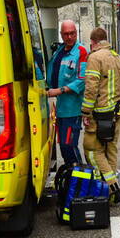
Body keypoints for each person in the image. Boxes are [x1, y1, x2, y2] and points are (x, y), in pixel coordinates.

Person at [82, 27, 120, 204]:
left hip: (99, 114)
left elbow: (91, 88)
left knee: (93, 151)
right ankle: (110, 195)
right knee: (111, 151)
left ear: (93, 42)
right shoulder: (117, 57)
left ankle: (111, 186)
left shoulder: (94, 58)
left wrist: (85, 112)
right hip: (116, 112)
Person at [47, 20, 88, 168]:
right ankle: (71, 179)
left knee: (69, 146)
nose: (69, 37)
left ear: (76, 33)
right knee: (63, 147)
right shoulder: (59, 51)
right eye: (66, 34)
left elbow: (82, 80)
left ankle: (79, 181)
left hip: (72, 109)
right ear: (61, 35)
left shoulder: (81, 52)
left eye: (72, 33)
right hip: (60, 109)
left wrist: (60, 90)